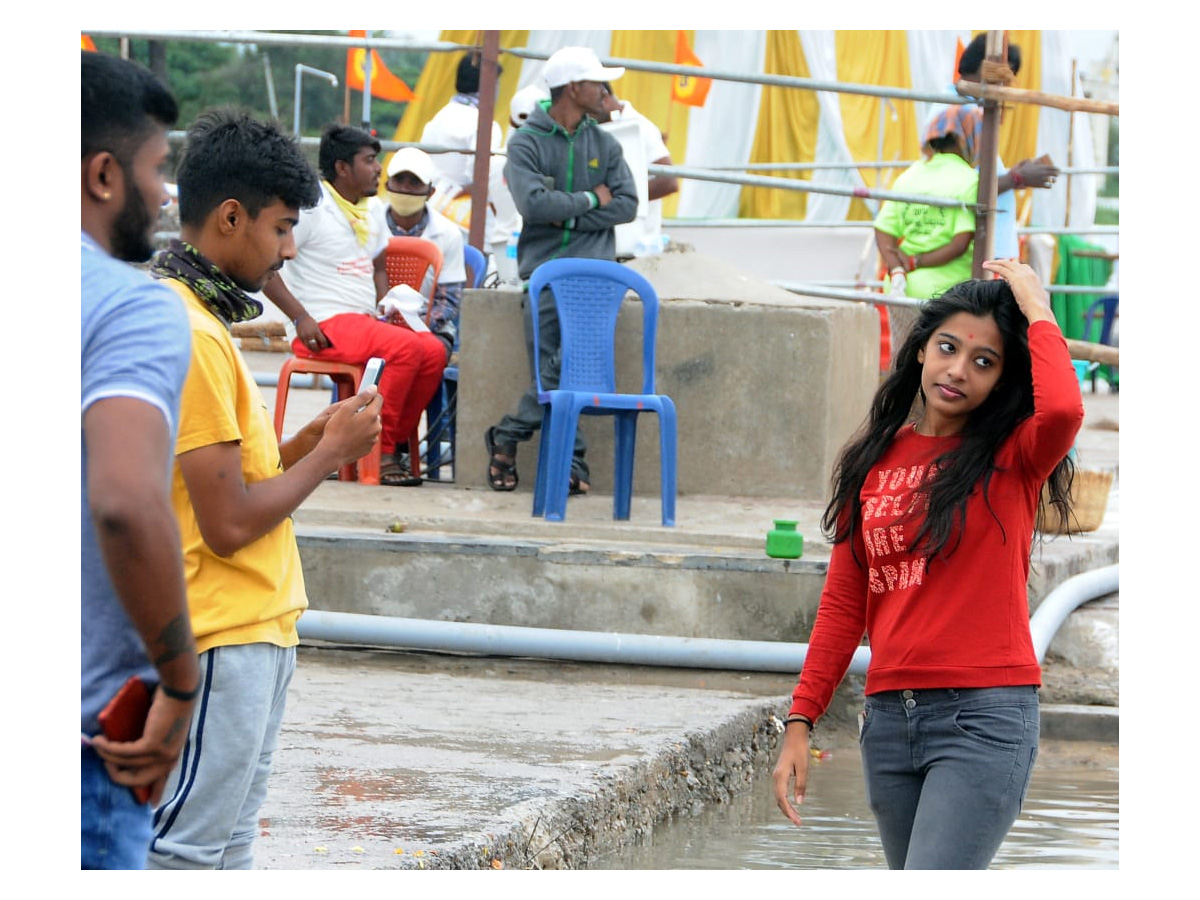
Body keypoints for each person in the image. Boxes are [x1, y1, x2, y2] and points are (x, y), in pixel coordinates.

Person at [771, 259, 1084, 870]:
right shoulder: (873, 459)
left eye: (984, 362)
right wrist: (801, 717)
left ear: (1001, 379)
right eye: (948, 348)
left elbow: (1065, 412)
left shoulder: (1012, 456)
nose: (959, 370)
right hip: (889, 722)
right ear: (921, 352)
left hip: (983, 716)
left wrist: (1035, 305)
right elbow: (842, 605)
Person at [144, 109, 384, 870]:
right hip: (223, 630)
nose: (286, 252)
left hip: (259, 627)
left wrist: (308, 445)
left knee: (229, 846)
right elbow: (225, 524)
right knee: (185, 853)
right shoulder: (193, 333)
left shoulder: (203, 322)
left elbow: (230, 483)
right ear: (229, 217)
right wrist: (327, 459)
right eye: (281, 230)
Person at [81, 51, 201, 871]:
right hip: (85, 740)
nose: (164, 196)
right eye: (158, 169)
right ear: (103, 173)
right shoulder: (132, 310)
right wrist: (180, 683)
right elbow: (125, 499)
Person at [483, 46, 638, 495]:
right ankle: (572, 465)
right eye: (598, 83)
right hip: (546, 274)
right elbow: (532, 204)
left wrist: (561, 212)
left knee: (566, 368)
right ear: (574, 88)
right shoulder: (526, 141)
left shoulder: (605, 142)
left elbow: (627, 205)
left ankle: (511, 434)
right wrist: (592, 200)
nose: (606, 91)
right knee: (560, 370)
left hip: (595, 280)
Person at [262, 124, 446, 487]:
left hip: (361, 322)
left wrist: (386, 307)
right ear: (343, 167)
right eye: (370, 160)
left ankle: (388, 447)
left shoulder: (372, 209)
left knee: (434, 350)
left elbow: (378, 265)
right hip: (323, 323)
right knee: (406, 348)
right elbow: (267, 265)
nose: (379, 168)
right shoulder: (313, 207)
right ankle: (379, 453)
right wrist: (299, 317)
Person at [928, 33, 1060, 261]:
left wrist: (1013, 175)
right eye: (1005, 78)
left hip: (991, 254)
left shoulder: (970, 109)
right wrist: (1017, 178)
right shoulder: (959, 112)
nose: (1006, 87)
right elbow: (955, 190)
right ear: (986, 70)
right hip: (978, 257)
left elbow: (973, 176)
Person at [874, 104, 981, 300]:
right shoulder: (969, 179)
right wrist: (916, 261)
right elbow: (960, 243)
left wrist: (897, 267)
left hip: (901, 288)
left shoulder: (909, 175)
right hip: (947, 293)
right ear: (967, 137)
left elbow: (883, 228)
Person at [381, 145, 467, 359]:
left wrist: (417, 326)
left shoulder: (448, 234)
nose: (405, 189)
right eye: (399, 180)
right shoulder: (367, 224)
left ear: (430, 192)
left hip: (429, 328)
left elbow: (449, 299)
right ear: (387, 184)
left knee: (430, 354)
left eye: (414, 182)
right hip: (376, 325)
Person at [421, 50, 507, 243]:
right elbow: (481, 180)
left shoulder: (438, 118)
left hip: (429, 213)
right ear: (489, 85)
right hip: (465, 225)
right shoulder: (485, 125)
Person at [598, 83, 679, 255]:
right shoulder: (597, 127)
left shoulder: (642, 128)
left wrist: (622, 197)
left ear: (603, 97)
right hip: (609, 240)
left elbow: (669, 181)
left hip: (639, 245)